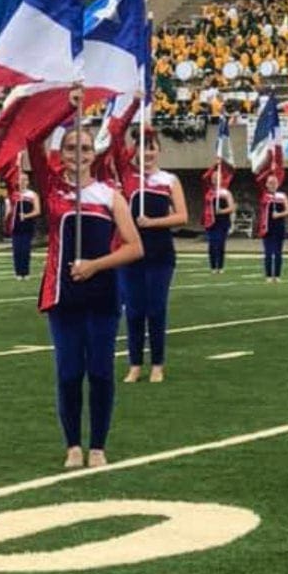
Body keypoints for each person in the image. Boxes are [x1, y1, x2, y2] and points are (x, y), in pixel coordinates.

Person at [28, 110, 143, 469]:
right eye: (72, 147)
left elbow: (134, 246)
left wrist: (95, 265)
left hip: (103, 296)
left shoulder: (110, 195)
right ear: (61, 154)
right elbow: (33, 139)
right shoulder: (52, 188)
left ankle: (98, 447)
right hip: (62, 296)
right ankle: (73, 446)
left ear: (94, 155)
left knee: (100, 372)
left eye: (86, 148)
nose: (79, 154)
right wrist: (66, 105)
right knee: (68, 372)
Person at [118, 129, 188, 384]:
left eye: (151, 147)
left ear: (159, 150)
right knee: (134, 311)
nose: (147, 153)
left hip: (160, 253)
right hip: (130, 254)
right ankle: (135, 364)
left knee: (156, 309)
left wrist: (153, 222)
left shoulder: (169, 180)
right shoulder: (127, 178)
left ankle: (157, 364)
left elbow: (182, 216)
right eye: (142, 147)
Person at [6, 172, 41, 279]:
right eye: (20, 179)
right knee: (17, 250)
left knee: (25, 249)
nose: (22, 182)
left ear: (28, 181)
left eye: (25, 179)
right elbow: (9, 211)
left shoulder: (32, 195)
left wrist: (26, 215)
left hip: (27, 225)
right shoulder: (13, 195)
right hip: (16, 226)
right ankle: (18, 272)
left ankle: (25, 272)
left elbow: (37, 211)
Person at [205, 158, 235, 274]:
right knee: (212, 244)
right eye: (213, 178)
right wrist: (215, 164)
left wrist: (222, 211)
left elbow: (232, 207)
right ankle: (213, 266)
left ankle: (220, 266)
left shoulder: (225, 193)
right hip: (210, 221)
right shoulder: (209, 192)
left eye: (216, 178)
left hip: (222, 221)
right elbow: (205, 176)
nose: (214, 179)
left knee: (220, 244)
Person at [259, 173, 288, 281]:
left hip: (279, 227)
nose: (273, 185)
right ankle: (268, 275)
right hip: (267, 227)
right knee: (268, 252)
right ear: (266, 184)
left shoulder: (282, 196)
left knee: (278, 252)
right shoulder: (265, 196)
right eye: (270, 183)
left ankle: (277, 275)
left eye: (275, 183)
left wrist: (279, 215)